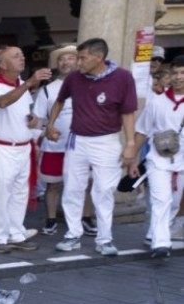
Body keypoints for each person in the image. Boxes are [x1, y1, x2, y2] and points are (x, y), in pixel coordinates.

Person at [47, 38, 138, 256]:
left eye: (82, 57)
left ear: (99, 58)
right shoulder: (74, 78)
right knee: (72, 187)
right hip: (77, 139)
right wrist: (50, 125)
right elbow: (60, 100)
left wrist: (131, 144)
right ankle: (73, 234)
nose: (78, 62)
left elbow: (128, 113)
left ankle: (104, 239)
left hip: (106, 141)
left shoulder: (123, 77)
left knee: (104, 190)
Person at [0, 47, 52, 254]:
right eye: (15, 56)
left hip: (22, 149)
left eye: (22, 55)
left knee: (19, 194)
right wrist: (30, 83)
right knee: (0, 194)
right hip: (2, 149)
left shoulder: (22, 85)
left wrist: (32, 121)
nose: (21, 58)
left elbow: (23, 112)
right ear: (2, 65)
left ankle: (15, 233)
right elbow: (3, 102)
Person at [133, 55, 184, 258]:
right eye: (175, 73)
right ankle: (161, 243)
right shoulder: (156, 102)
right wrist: (132, 157)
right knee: (160, 199)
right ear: (169, 75)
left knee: (173, 201)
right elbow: (142, 130)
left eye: (183, 73)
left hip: (182, 162)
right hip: (158, 159)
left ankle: (154, 233)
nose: (179, 77)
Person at [32, 45, 78, 236]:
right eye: (61, 59)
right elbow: (37, 120)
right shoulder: (47, 90)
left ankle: (85, 218)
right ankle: (51, 219)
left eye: (70, 58)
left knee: (82, 184)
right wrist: (42, 136)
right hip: (55, 146)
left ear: (77, 60)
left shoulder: (87, 85)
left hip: (80, 145)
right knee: (53, 184)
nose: (66, 62)